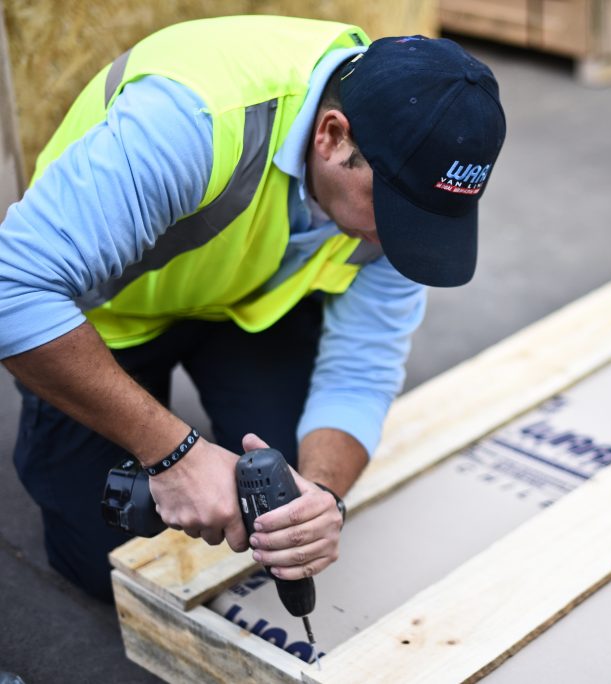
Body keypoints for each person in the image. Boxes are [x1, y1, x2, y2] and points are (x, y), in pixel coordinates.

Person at [0, 15, 506, 602]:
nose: (399, 240)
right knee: (116, 565)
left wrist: (321, 502)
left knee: (283, 495)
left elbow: (362, 367)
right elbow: (11, 289)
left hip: (247, 309)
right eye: (392, 210)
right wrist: (175, 455)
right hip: (107, 319)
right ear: (332, 136)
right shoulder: (195, 122)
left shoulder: (404, 183)